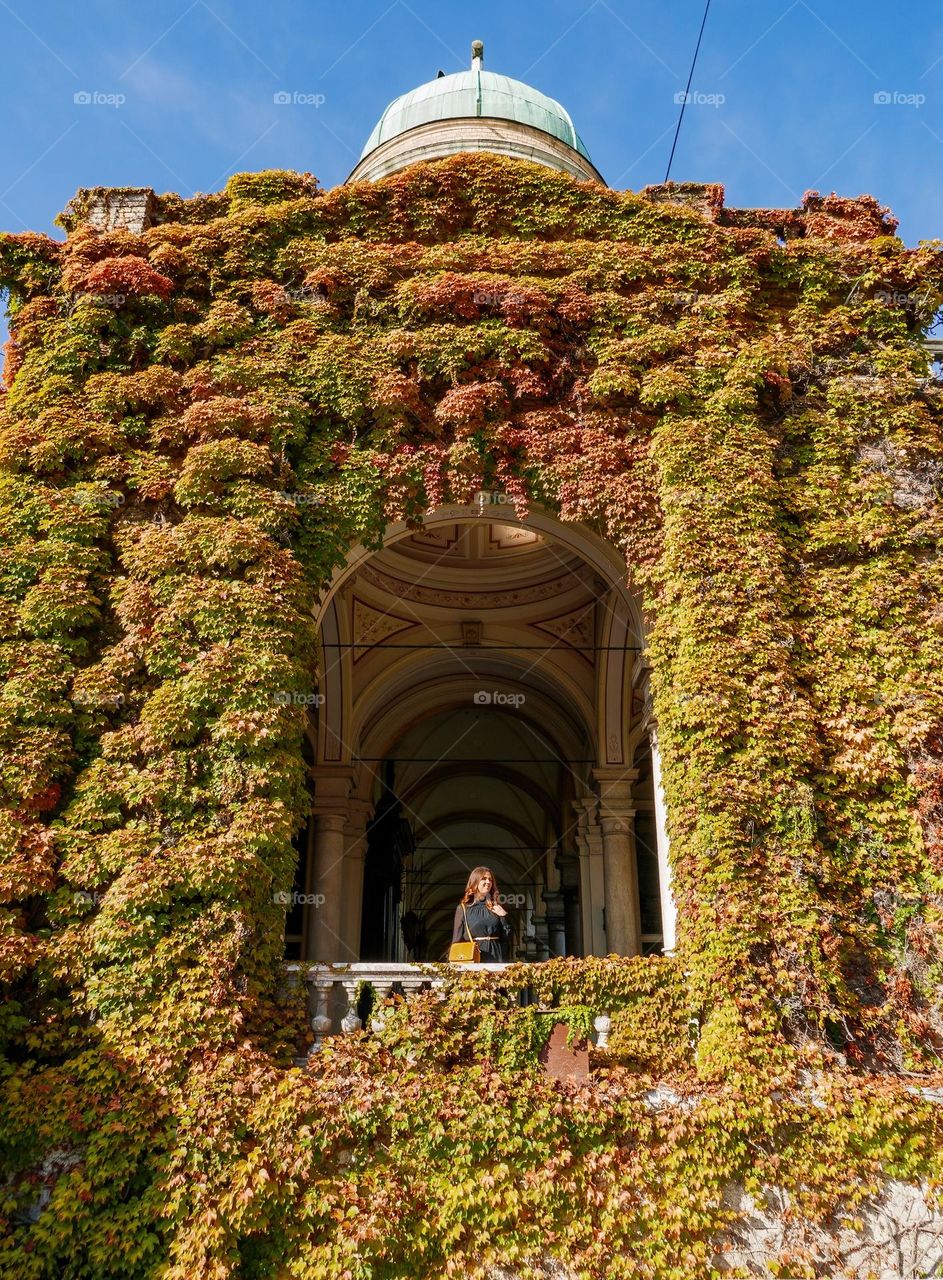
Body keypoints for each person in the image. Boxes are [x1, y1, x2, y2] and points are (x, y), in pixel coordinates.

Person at [452, 866, 511, 963]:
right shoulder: (463, 909)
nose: (488, 882)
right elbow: (456, 940)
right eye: (484, 879)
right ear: (475, 882)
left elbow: (507, 937)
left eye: (490, 880)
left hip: (497, 957)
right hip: (473, 958)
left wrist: (503, 916)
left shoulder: (497, 907)